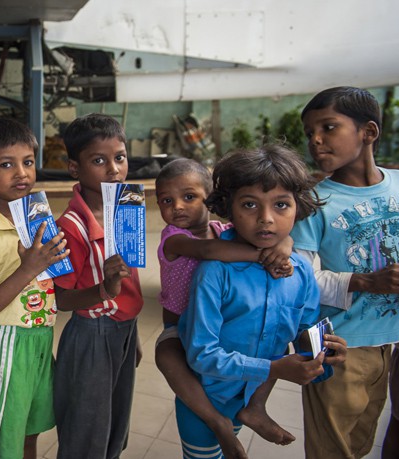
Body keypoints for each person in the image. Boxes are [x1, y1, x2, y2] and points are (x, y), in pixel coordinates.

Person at [178, 145, 347, 458]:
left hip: (249, 394)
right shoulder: (215, 273)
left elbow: (304, 329)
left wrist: (322, 354)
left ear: (299, 208)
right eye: (250, 204)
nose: (266, 219)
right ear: (228, 207)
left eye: (281, 204)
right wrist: (274, 368)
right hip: (206, 396)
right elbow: (202, 355)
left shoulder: (300, 272)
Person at [154, 157, 297, 458]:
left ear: (212, 200)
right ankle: (216, 422)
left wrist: (285, 243)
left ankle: (255, 407)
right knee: (167, 356)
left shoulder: (224, 229)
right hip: (179, 328)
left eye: (189, 197)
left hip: (221, 326)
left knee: (275, 345)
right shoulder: (173, 238)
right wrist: (265, 254)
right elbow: (208, 252)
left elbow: (264, 229)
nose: (177, 206)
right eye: (166, 200)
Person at [292, 86, 399, 458]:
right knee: (330, 449)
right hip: (334, 344)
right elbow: (300, 281)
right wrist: (367, 281)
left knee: (360, 442)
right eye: (309, 133)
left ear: (368, 132)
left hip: (388, 342)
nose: (316, 140)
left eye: (328, 127)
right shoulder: (312, 202)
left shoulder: (398, 185)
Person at [0, 117, 68, 458]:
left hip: (39, 339)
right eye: (7, 164)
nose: (21, 173)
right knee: (2, 445)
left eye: (27, 162)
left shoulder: (39, 222)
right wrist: (30, 268)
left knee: (28, 435)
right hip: (5, 344)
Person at [51, 113, 142, 459]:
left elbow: (129, 288)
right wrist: (105, 288)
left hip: (122, 331)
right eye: (99, 161)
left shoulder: (126, 209)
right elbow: (61, 299)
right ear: (75, 168)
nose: (114, 169)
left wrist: (130, 336)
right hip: (92, 336)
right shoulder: (69, 227)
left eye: (119, 157)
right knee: (86, 434)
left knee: (115, 428)